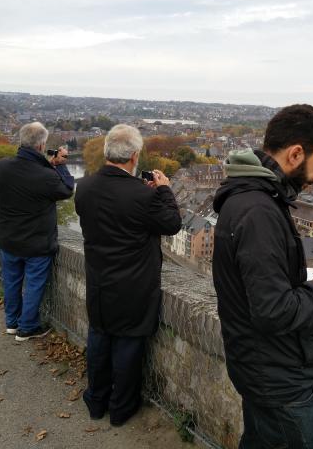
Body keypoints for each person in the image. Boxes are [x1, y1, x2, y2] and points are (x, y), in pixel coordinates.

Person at [212, 104, 313, 449]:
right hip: (280, 377)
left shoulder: (250, 197)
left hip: (260, 366)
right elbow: (273, 310)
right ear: (296, 153)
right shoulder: (259, 211)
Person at [74, 124, 181, 426]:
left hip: (99, 280)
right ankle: (120, 410)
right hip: (134, 286)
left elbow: (109, 216)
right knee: (127, 346)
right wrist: (163, 190)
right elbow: (171, 223)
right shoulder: (143, 196)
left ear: (108, 151)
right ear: (135, 156)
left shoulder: (84, 187)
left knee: (98, 337)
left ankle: (96, 401)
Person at [0, 122, 74, 342]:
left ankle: (12, 323)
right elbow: (66, 189)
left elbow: (24, 181)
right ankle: (27, 327)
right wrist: (60, 165)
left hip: (8, 238)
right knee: (33, 286)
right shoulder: (46, 176)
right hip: (36, 243)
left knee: (11, 282)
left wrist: (48, 166)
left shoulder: (3, 166)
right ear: (41, 146)